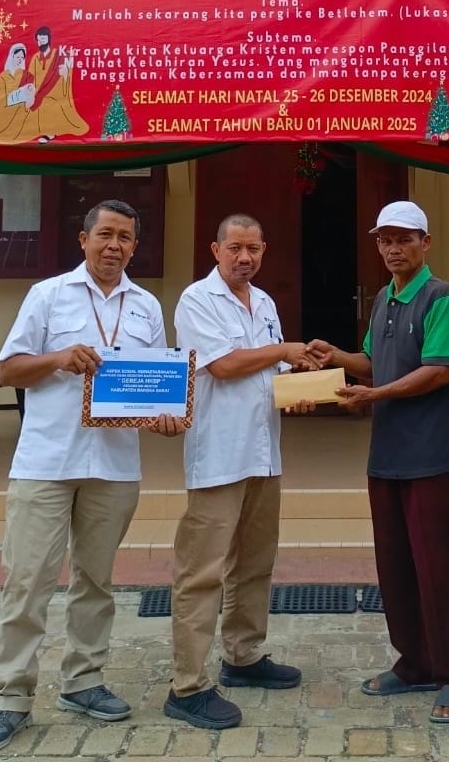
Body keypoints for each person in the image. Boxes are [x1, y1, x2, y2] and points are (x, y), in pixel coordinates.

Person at [0, 199, 185, 754]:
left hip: (114, 466)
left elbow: (150, 383)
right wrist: (59, 358)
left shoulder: (146, 306)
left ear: (135, 246)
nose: (114, 246)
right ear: (84, 239)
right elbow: (8, 370)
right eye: (105, 234)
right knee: (28, 582)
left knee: (96, 581)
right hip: (46, 462)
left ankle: (83, 682)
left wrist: (165, 416)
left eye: (125, 237)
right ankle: (10, 698)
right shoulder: (48, 295)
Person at [307, 200, 449, 726]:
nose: (393, 248)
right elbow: (372, 361)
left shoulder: (441, 297)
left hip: (430, 454)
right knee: (396, 566)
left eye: (404, 238)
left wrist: (374, 395)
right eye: (384, 240)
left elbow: (439, 371)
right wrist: (336, 357)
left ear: (425, 242)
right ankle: (415, 663)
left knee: (441, 569)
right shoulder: (385, 297)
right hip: (387, 454)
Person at [165, 213, 315, 730]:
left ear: (263, 250)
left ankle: (243, 656)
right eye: (234, 248)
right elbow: (224, 365)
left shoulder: (265, 302)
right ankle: (187, 686)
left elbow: (272, 373)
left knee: (254, 563)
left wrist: (298, 390)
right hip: (218, 456)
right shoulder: (196, 300)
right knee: (202, 572)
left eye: (253, 248)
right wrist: (284, 350)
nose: (244, 257)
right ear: (216, 250)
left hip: (263, 454)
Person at [27, 26, 88, 143]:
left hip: (55, 92)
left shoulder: (59, 55)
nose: (41, 42)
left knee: (47, 101)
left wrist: (65, 73)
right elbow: (30, 78)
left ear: (49, 39)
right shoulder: (35, 58)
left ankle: (50, 133)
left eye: (43, 39)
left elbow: (67, 72)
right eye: (39, 40)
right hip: (38, 92)